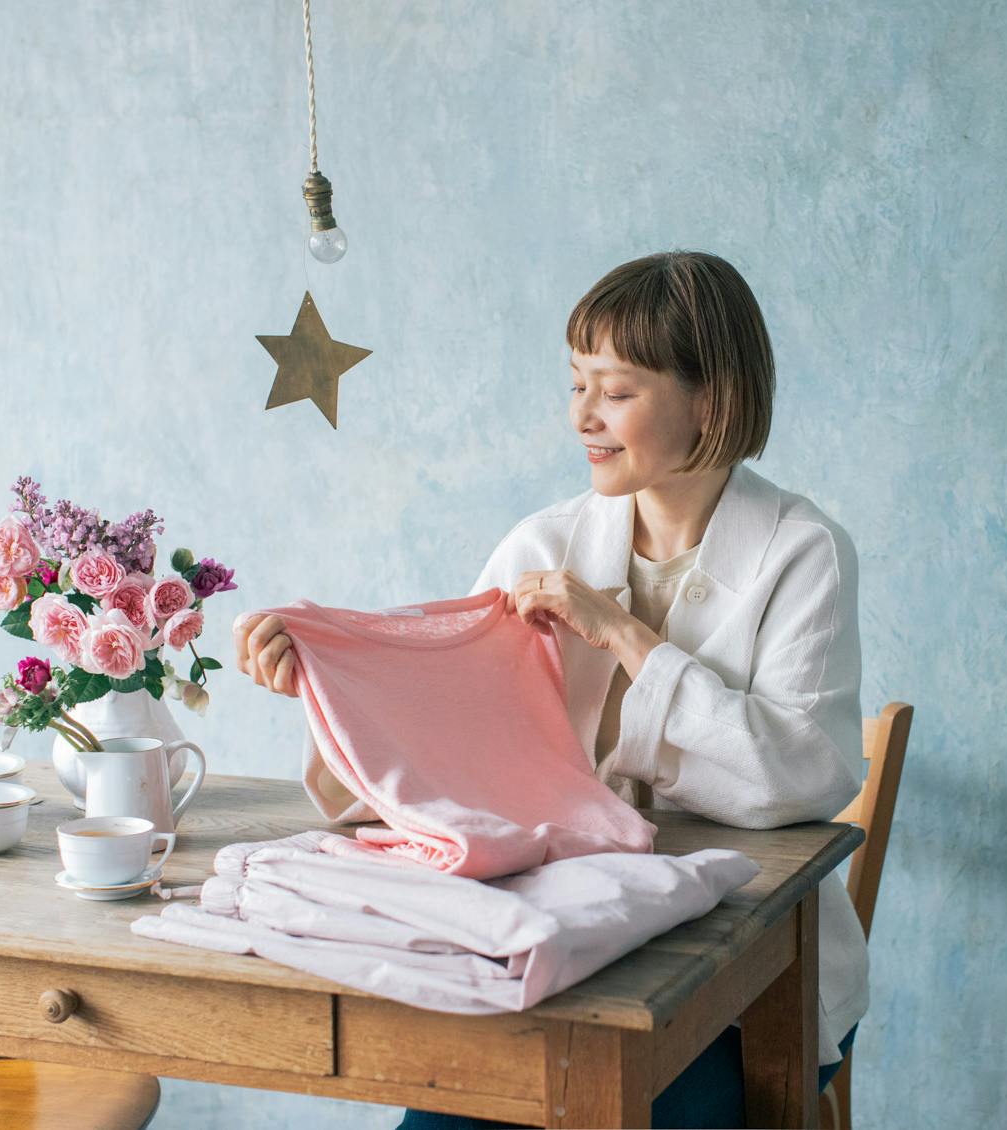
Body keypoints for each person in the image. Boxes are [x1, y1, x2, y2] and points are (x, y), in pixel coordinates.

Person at [234, 249, 867, 1129]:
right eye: (576, 385)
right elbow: (447, 751)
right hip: (561, 956)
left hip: (752, 975)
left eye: (617, 390)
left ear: (710, 401)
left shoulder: (803, 552)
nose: (584, 417)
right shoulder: (540, 545)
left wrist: (626, 636)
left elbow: (802, 781)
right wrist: (333, 687)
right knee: (442, 1119)